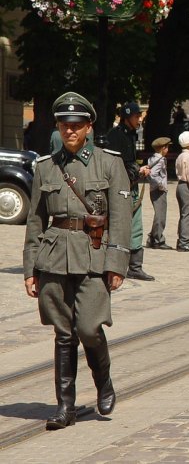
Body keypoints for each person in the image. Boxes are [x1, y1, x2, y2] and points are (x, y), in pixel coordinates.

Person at [23, 92, 131, 430]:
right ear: (58, 126)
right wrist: (30, 268)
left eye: (77, 125)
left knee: (88, 328)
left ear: (88, 127)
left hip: (95, 255)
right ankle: (65, 407)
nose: (70, 130)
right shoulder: (44, 166)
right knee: (63, 333)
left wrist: (117, 263)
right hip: (54, 257)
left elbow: (122, 218)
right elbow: (36, 221)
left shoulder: (109, 163)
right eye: (65, 125)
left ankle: (104, 381)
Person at [106, 102, 154, 281]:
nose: (139, 119)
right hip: (119, 189)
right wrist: (138, 170)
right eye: (136, 116)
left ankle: (135, 266)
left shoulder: (131, 135)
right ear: (127, 117)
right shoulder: (116, 136)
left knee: (135, 226)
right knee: (118, 226)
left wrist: (139, 169)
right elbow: (117, 166)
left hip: (130, 186)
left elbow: (130, 162)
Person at [146, 137, 172, 250]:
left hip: (154, 189)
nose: (168, 149)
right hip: (158, 191)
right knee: (160, 216)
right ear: (163, 148)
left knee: (159, 214)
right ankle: (157, 239)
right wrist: (160, 185)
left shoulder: (152, 158)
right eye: (167, 147)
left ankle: (153, 237)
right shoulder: (160, 160)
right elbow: (153, 175)